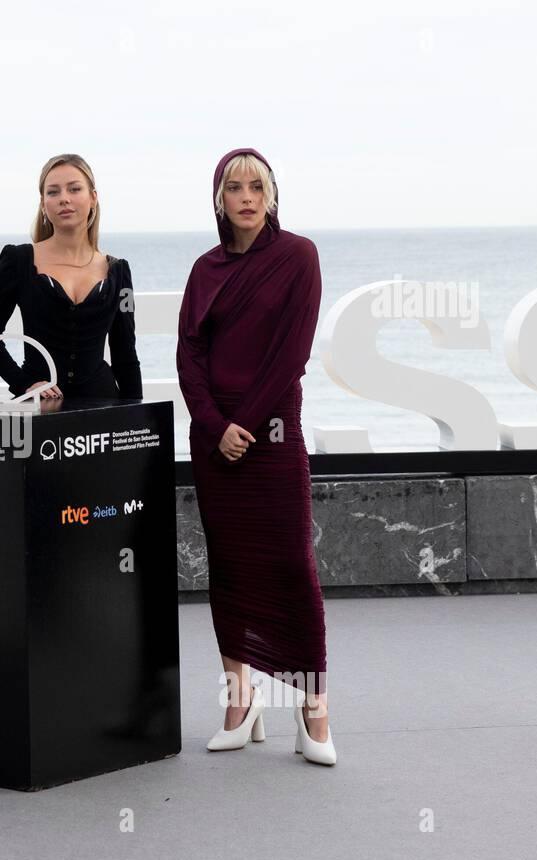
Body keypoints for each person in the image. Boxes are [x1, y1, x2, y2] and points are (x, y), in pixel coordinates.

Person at [175, 147, 336, 766]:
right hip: (216, 443)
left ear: (272, 195)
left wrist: (244, 424)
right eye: (234, 187)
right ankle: (240, 704)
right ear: (219, 198)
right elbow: (189, 355)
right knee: (231, 570)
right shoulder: (205, 268)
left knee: (293, 565)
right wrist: (215, 427)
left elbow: (292, 354)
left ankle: (313, 710)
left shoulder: (299, 256)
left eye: (256, 186)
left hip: (270, 438)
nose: (246, 195)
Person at [0, 153, 141, 402]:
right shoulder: (18, 260)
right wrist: (24, 384)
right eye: (53, 192)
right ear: (43, 203)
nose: (64, 198)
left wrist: (138, 420)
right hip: (39, 410)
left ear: (93, 197)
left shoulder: (118, 271)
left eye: (74, 189)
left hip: (103, 407)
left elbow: (125, 353)